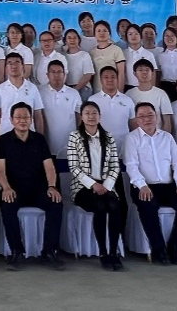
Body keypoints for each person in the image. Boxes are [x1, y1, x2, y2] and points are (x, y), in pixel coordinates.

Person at [0, 102, 66, 271]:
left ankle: (49, 251)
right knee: (7, 206)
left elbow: (49, 167)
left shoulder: (39, 139)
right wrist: (6, 187)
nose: (22, 120)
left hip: (38, 189)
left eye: (26, 117)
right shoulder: (3, 141)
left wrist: (52, 186)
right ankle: (16, 251)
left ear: (31, 119)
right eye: (18, 117)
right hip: (14, 189)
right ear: (11, 120)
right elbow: (0, 170)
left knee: (56, 203)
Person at [124, 102, 177, 265]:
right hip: (144, 186)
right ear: (136, 120)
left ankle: (175, 245)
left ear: (156, 117)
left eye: (150, 115)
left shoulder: (167, 137)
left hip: (168, 185)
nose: (146, 119)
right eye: (142, 116)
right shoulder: (131, 138)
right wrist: (142, 185)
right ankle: (159, 249)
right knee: (148, 207)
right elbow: (131, 165)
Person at [67, 102, 123, 271]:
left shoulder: (108, 137)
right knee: (100, 206)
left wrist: (106, 185)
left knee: (114, 205)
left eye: (94, 113)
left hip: (106, 185)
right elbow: (74, 167)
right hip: (82, 187)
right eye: (87, 113)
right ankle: (103, 253)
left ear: (100, 116)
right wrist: (93, 184)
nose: (91, 116)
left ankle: (113, 252)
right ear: (81, 117)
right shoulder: (75, 136)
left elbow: (115, 166)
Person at [0, 53, 44, 145]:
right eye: (10, 63)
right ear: (5, 68)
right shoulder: (0, 89)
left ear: (23, 66)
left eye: (17, 62)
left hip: (29, 137)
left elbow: (38, 116)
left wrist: (41, 141)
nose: (13, 66)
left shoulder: (32, 88)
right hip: (5, 137)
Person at [39, 61, 81, 163]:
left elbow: (79, 118)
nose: (56, 75)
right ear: (47, 75)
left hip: (70, 147)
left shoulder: (74, 93)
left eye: (59, 72)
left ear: (64, 74)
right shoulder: (39, 92)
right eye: (53, 72)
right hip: (47, 146)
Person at [88, 66, 136, 152]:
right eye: (106, 77)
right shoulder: (92, 100)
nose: (110, 80)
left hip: (124, 148)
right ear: (100, 80)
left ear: (117, 79)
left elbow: (133, 125)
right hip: (100, 148)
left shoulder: (127, 100)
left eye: (113, 77)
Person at [127, 59, 174, 134]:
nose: (144, 72)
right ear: (134, 73)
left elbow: (167, 121)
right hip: (137, 137)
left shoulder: (161, 93)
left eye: (147, 70)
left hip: (157, 136)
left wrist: (164, 138)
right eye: (140, 70)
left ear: (152, 73)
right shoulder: (129, 94)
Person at [89, 21, 126, 89]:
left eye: (105, 30)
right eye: (99, 31)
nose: (102, 33)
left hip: (114, 89)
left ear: (109, 33)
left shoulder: (116, 50)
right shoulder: (91, 52)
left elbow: (121, 73)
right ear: (94, 34)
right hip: (97, 90)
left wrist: (120, 91)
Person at [61, 29, 95, 94]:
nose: (72, 40)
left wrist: (75, 89)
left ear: (79, 40)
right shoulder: (63, 57)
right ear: (65, 41)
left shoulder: (85, 55)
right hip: (67, 89)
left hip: (83, 88)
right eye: (69, 38)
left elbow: (88, 75)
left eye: (74, 37)